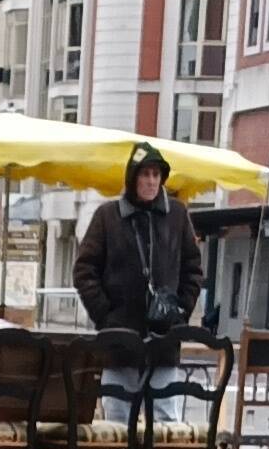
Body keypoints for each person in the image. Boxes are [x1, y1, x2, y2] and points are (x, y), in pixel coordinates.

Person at [73, 145, 204, 344]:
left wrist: (181, 311)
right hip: (119, 334)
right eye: (145, 174)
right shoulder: (107, 216)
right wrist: (105, 316)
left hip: (165, 335)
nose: (151, 181)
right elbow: (84, 270)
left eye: (156, 174)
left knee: (164, 366)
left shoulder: (177, 214)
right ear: (133, 177)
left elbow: (192, 268)